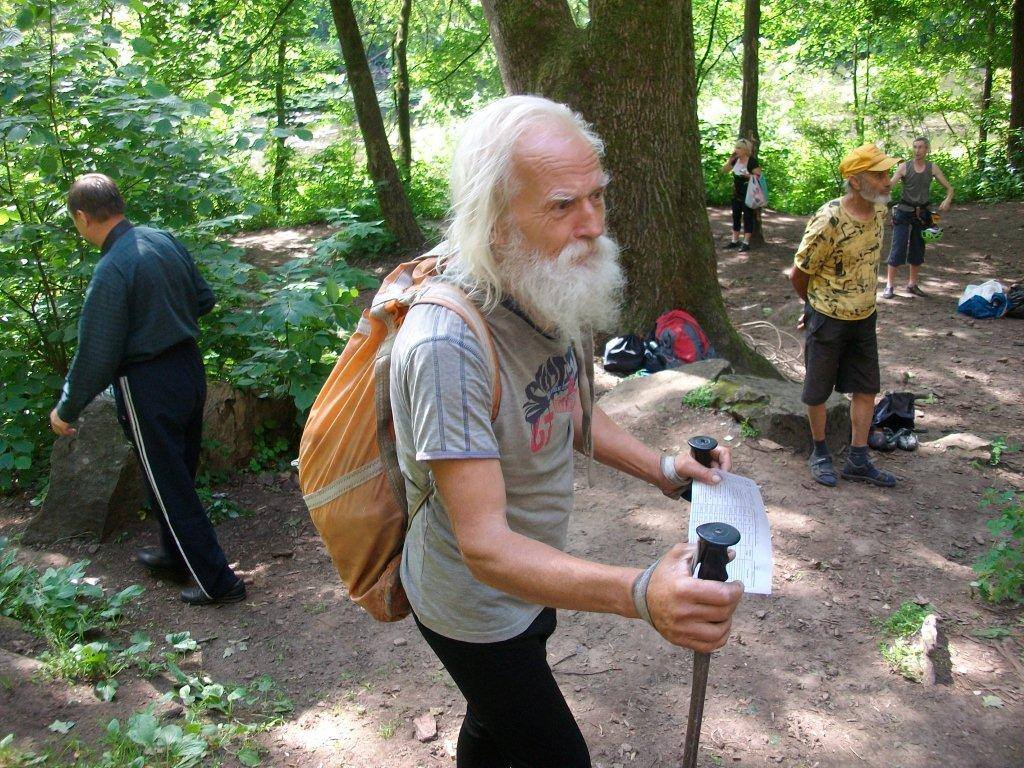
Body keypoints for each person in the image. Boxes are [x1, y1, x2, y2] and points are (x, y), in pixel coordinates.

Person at [390, 96, 744, 768]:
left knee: (495, 728)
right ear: (495, 221)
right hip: (474, 607)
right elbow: (487, 548)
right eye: (561, 205)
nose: (592, 225)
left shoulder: (541, 283)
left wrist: (667, 472)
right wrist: (641, 594)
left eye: (597, 197)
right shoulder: (448, 345)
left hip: (534, 582)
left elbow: (567, 406)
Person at [51, 173, 244, 606]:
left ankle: (219, 582)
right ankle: (176, 557)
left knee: (169, 482)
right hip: (189, 369)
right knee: (174, 475)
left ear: (82, 218)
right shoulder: (162, 239)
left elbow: (96, 354)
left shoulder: (112, 268)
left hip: (147, 384)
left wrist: (66, 408)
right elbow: (204, 299)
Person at [789, 144, 899, 489]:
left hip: (865, 317)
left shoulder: (881, 212)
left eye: (886, 174)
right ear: (854, 181)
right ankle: (820, 452)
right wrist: (813, 307)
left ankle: (858, 458)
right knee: (818, 390)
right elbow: (799, 273)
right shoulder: (829, 219)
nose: (887, 181)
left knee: (866, 388)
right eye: (878, 175)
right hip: (828, 318)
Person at [882, 136, 954, 298]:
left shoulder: (932, 168)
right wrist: (881, 183)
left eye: (921, 147)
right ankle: (889, 286)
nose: (917, 150)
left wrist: (948, 199)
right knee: (898, 247)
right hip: (903, 211)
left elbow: (950, 188)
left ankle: (912, 284)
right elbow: (889, 187)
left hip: (922, 213)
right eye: (915, 147)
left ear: (927, 149)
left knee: (918, 247)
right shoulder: (904, 167)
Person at [721, 138, 762, 252]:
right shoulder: (735, 160)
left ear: (745, 150)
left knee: (748, 217)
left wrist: (748, 175)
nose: (736, 150)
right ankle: (734, 241)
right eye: (736, 147)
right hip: (736, 193)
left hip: (748, 193)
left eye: (739, 148)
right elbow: (724, 170)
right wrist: (730, 161)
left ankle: (746, 242)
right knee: (736, 216)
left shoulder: (752, 161)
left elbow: (759, 177)